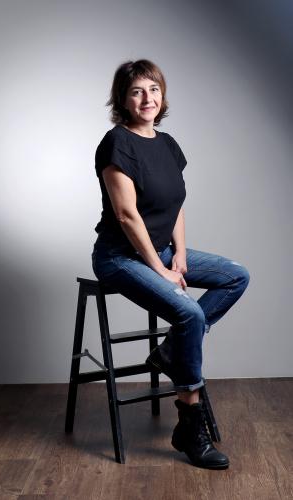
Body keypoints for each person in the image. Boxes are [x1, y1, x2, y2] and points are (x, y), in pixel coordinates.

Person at [91, 59, 250, 470]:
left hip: (161, 250)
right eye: (137, 91)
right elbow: (127, 217)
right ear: (123, 100)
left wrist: (179, 252)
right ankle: (190, 427)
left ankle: (170, 352)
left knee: (235, 275)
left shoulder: (168, 144)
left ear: (162, 96)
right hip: (119, 256)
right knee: (189, 312)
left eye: (154, 89)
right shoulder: (116, 144)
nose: (147, 98)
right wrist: (160, 269)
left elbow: (175, 204)